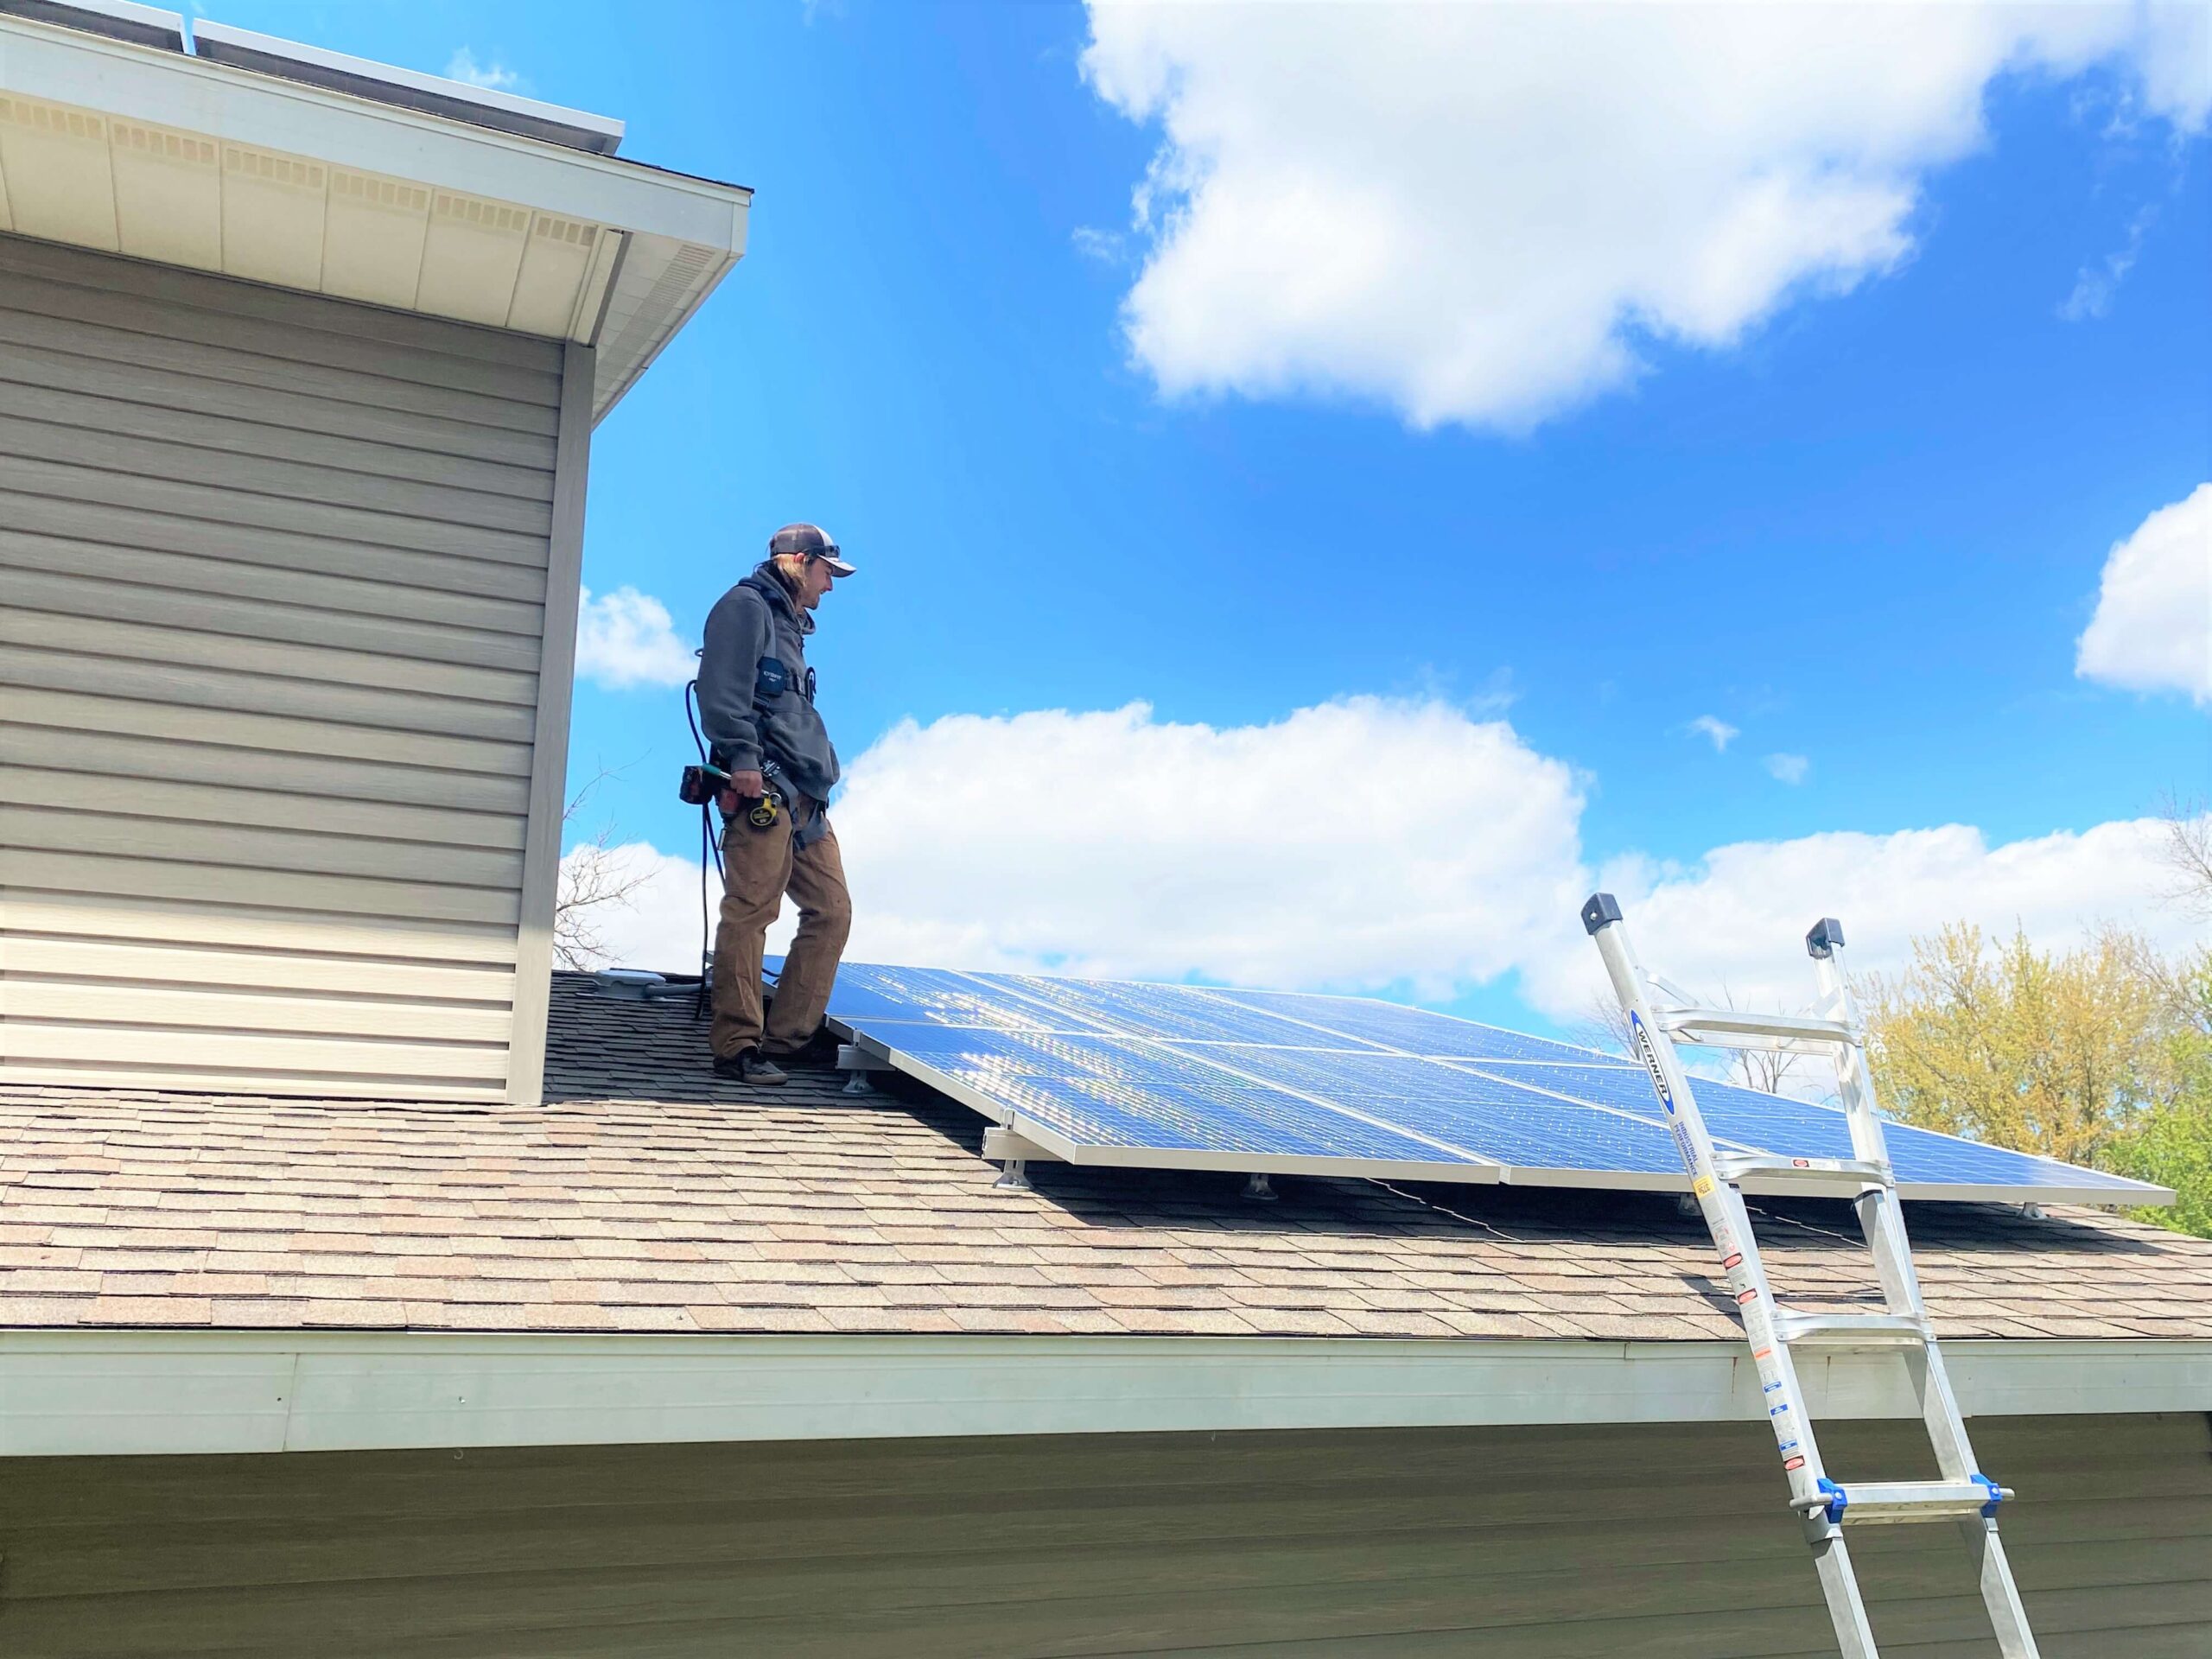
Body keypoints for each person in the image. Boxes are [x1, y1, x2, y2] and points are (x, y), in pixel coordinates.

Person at [695, 524, 856, 1084]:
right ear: (800, 562)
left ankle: (788, 1037)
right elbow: (719, 692)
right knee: (753, 908)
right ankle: (737, 1046)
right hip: (762, 785)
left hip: (806, 798)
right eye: (827, 573)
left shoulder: (789, 630)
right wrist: (741, 760)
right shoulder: (744, 608)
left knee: (832, 911)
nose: (830, 587)